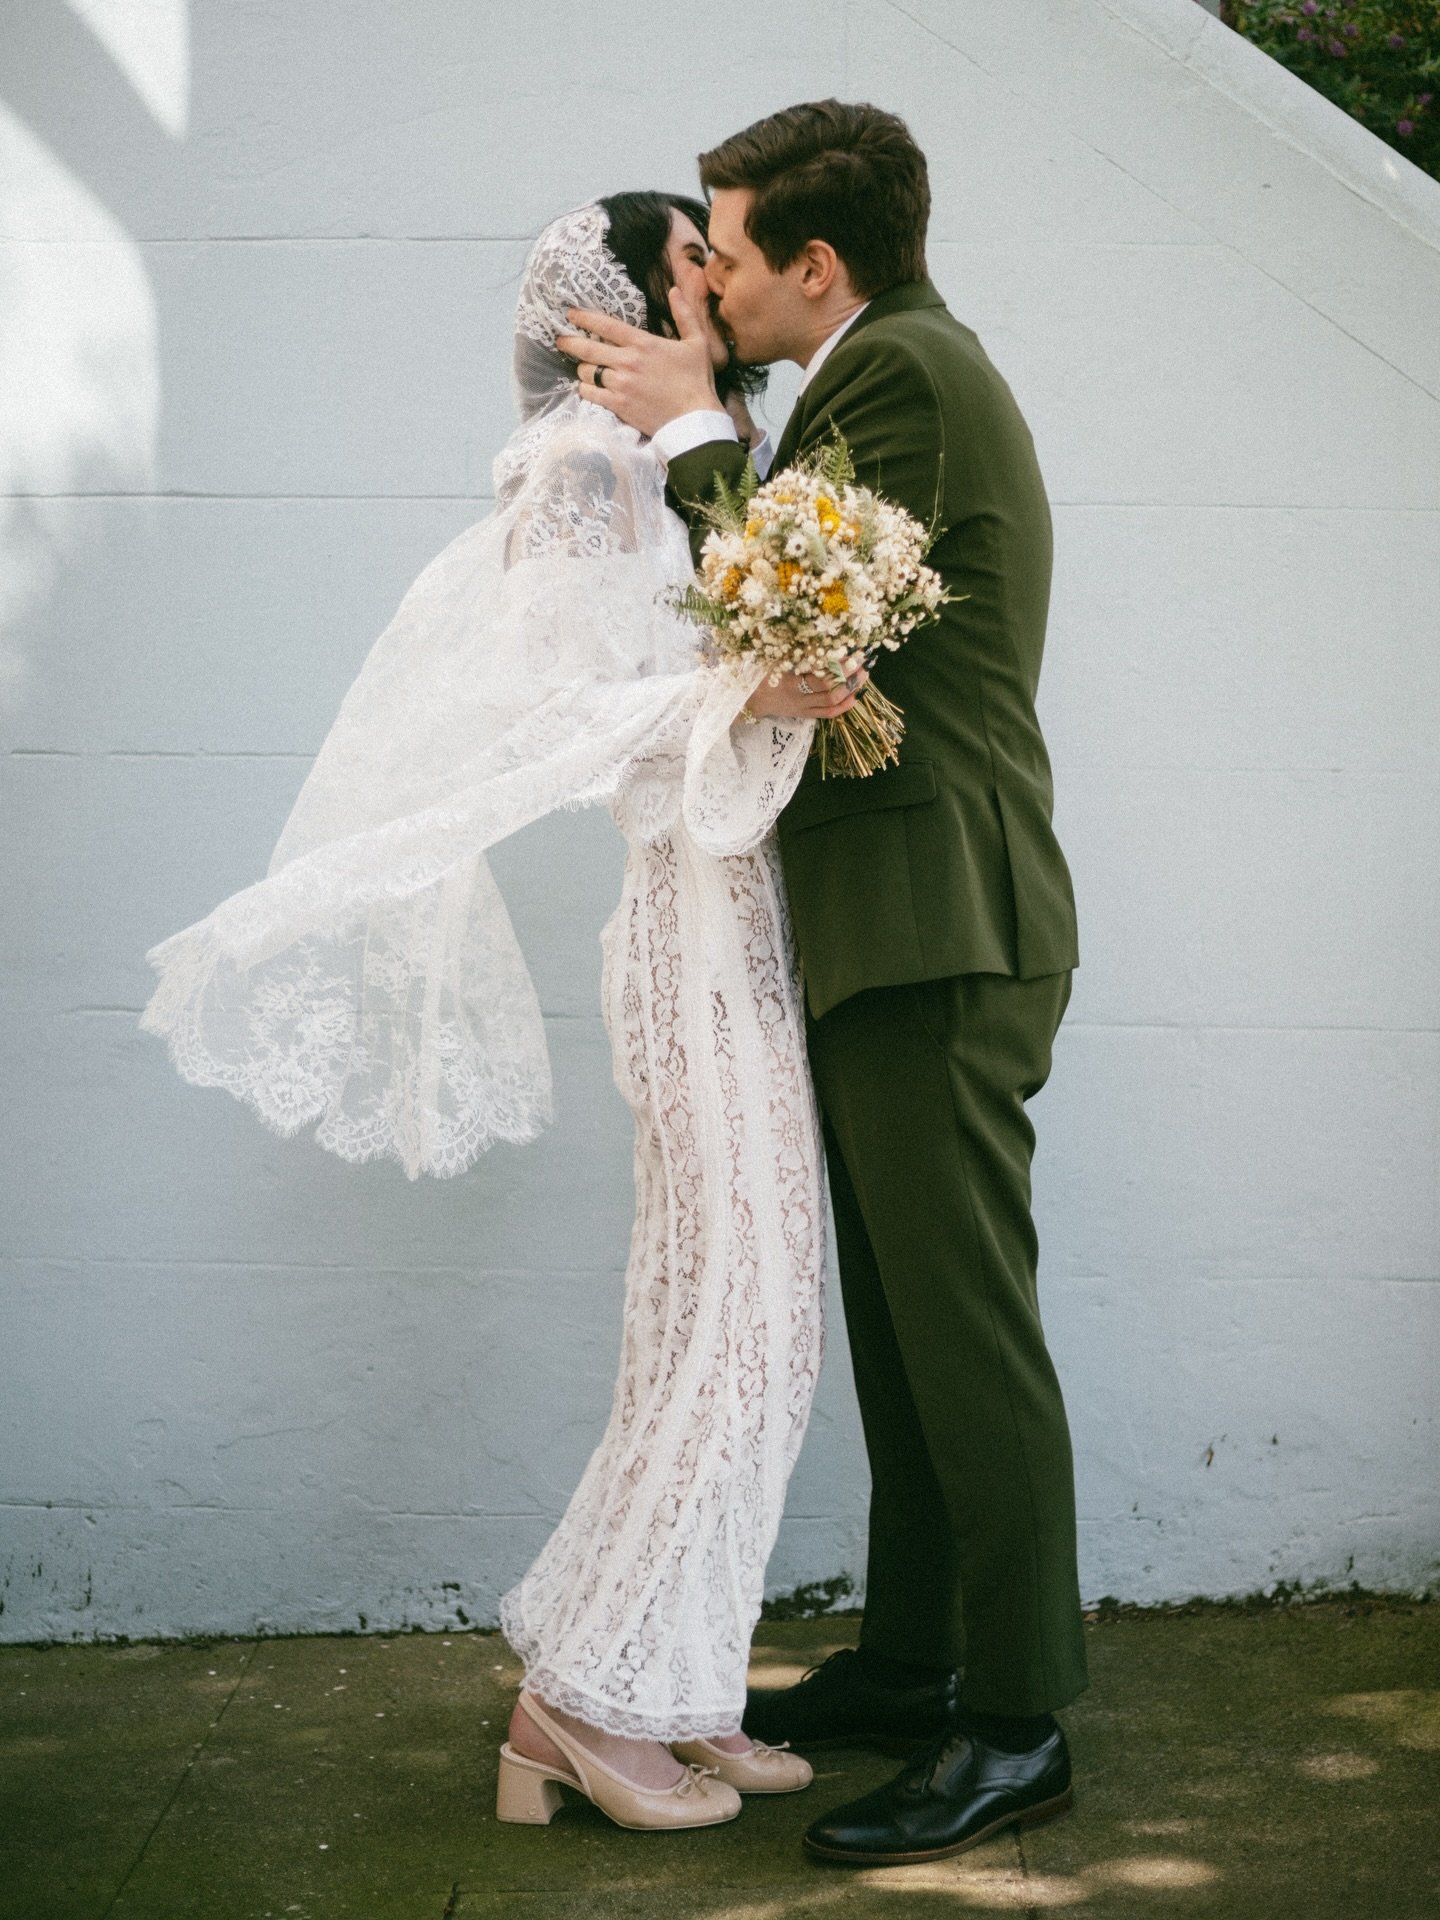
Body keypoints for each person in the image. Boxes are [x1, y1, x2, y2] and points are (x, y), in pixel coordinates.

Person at [138, 194, 861, 1832]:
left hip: (733, 917)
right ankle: (586, 1705)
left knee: (723, 1318)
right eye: (694, 258)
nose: (721, 281)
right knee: (743, 1320)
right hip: (684, 925)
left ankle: (661, 1677)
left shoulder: (663, 458)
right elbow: (558, 709)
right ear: (620, 303)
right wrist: (744, 681)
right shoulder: (584, 466)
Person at [559, 101, 1088, 1864]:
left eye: (724, 246)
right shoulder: (873, 380)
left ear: (819, 264)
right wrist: (715, 418)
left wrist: (698, 427)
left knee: (967, 1336)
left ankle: (1017, 1723)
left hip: (945, 924)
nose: (700, 271)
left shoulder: (908, 377)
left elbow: (792, 612)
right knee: (904, 1329)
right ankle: (922, 1663)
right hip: (893, 928)